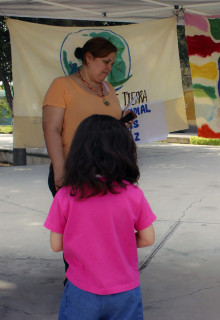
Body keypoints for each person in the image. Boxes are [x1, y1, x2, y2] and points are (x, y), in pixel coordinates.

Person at [44, 114, 156, 320]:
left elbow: (56, 245)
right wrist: (118, 242)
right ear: (124, 151)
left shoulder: (66, 195)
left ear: (79, 151)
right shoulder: (133, 194)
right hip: (125, 292)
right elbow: (148, 238)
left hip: (81, 290)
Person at [42, 37, 123, 197]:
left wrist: (120, 124)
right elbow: (52, 129)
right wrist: (59, 168)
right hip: (74, 170)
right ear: (88, 58)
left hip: (110, 170)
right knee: (78, 222)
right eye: (106, 62)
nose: (109, 68)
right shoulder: (62, 85)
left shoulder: (110, 89)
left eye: (112, 64)